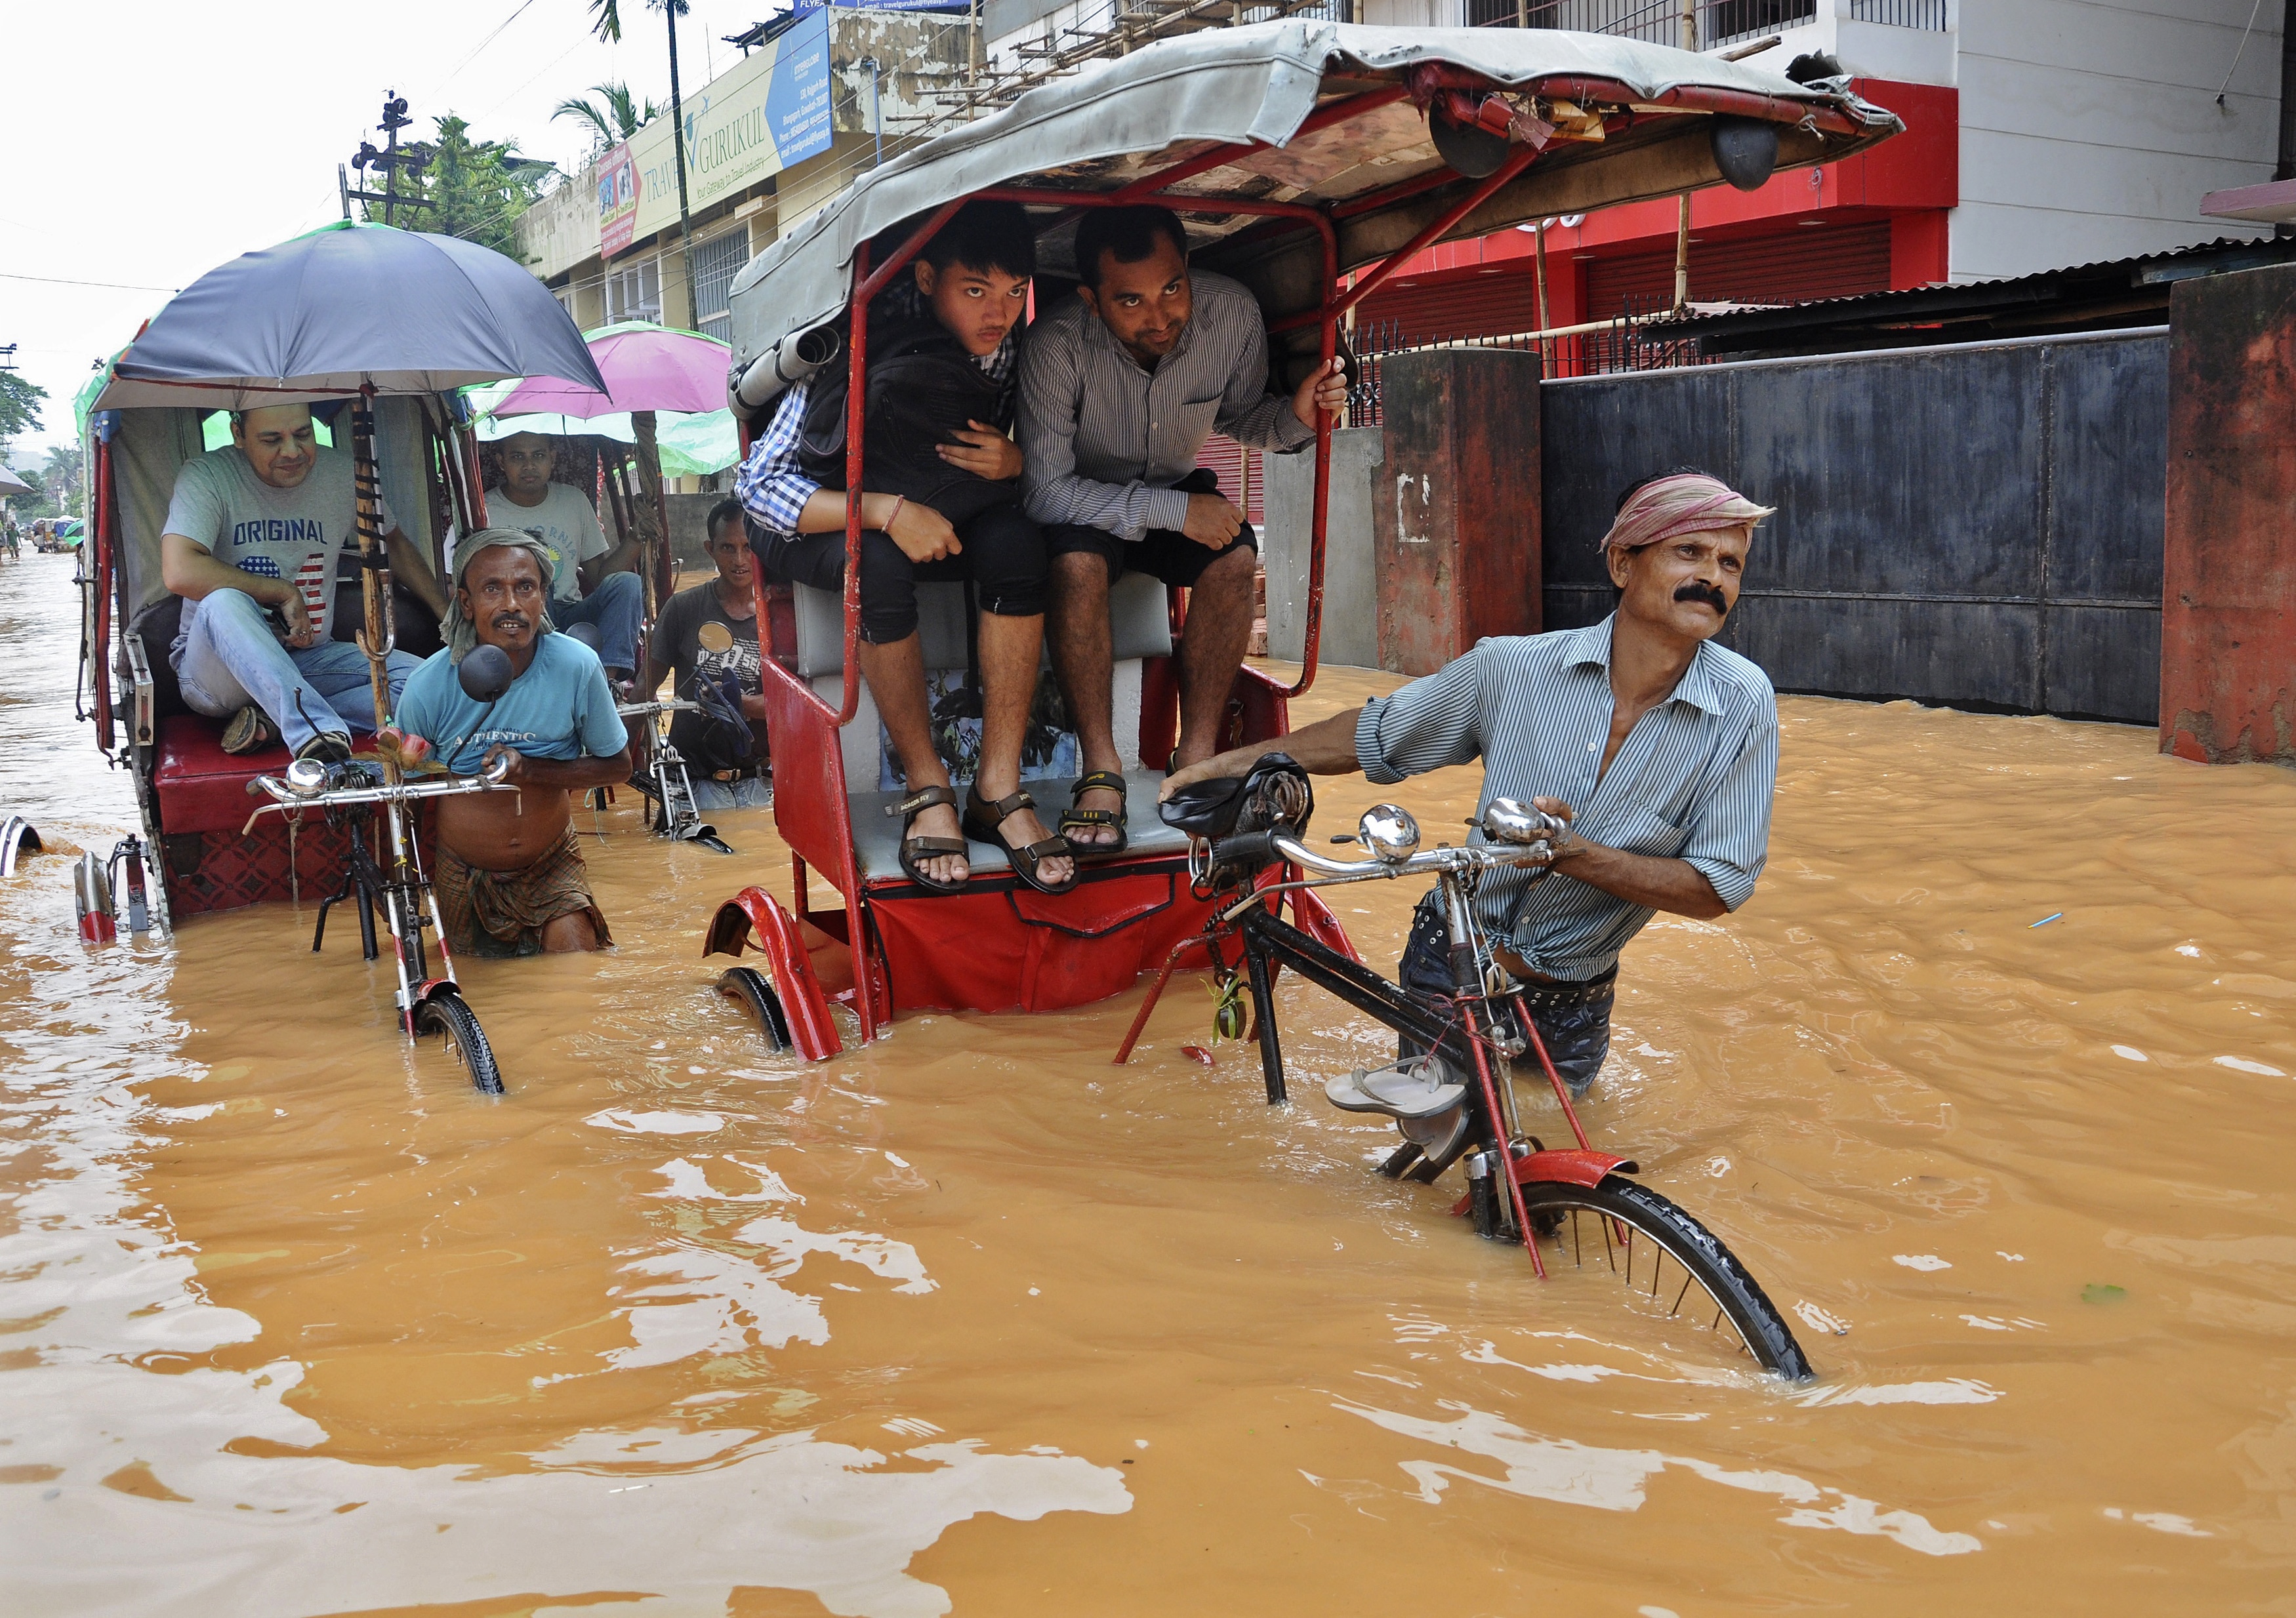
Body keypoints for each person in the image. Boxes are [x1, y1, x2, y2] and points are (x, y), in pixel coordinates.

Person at [1163, 471, 1781, 1096]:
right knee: (1441, 1150)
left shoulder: (1744, 704)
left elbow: (1717, 886)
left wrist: (1573, 854)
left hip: (1574, 999)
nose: (1715, 577)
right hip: (1449, 960)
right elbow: (1380, 733)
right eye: (1690, 552)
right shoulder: (1512, 669)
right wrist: (1230, 764)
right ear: (1623, 563)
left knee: (1546, 1165)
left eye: (1732, 562)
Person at [737, 200, 1075, 896]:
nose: (998, 313)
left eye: (1014, 293)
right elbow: (759, 488)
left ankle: (997, 786)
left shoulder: (1006, 346)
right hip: (820, 514)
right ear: (925, 279)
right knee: (878, 564)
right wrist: (885, 514)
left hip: (933, 498)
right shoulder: (844, 341)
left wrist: (1014, 462)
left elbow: (1029, 462)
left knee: (1017, 543)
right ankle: (927, 785)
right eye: (974, 290)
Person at [1018, 203, 1347, 855]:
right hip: (1084, 501)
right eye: (1131, 301)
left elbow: (1245, 418)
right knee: (1076, 566)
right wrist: (1173, 512)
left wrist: (1300, 414)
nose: (1160, 315)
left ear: (1189, 269)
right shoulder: (1053, 345)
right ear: (1090, 299)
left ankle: (1194, 758)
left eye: (1172, 288)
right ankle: (1101, 769)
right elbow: (1045, 493)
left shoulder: (1231, 314)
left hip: (1171, 486)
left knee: (1232, 559)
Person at [160, 403, 449, 762]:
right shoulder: (207, 476)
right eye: (272, 440)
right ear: (238, 434)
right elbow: (180, 571)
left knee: (428, 684)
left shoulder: (343, 474)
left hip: (307, 660)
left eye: (303, 434)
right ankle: (312, 731)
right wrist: (281, 591)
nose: (292, 452)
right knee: (223, 601)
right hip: (217, 675)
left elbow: (393, 544)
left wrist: (449, 617)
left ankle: (275, 721)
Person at [390, 531, 632, 956]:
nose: (512, 605)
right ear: (466, 603)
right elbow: (409, 797)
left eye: (525, 587)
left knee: (579, 969)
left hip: (552, 863)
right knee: (476, 991)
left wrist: (531, 770)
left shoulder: (577, 666)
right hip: (461, 871)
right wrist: (405, 881)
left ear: (544, 596)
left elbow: (619, 767)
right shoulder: (427, 685)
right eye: (492, 590)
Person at [638, 498, 771, 809]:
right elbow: (646, 688)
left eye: (749, 547)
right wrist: (623, 756)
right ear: (710, 549)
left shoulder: (779, 615)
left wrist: (743, 705)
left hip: (762, 780)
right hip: (691, 782)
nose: (740, 559)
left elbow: (799, 705)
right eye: (728, 548)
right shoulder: (683, 609)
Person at [487, 431, 645, 687]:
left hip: (571, 611)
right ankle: (538, 674)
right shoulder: (484, 510)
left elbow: (600, 577)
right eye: (518, 457)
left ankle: (606, 683)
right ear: (501, 462)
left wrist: (637, 536)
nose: (529, 466)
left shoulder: (573, 501)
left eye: (538, 456)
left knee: (627, 583)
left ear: (552, 458)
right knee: (535, 583)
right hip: (517, 612)